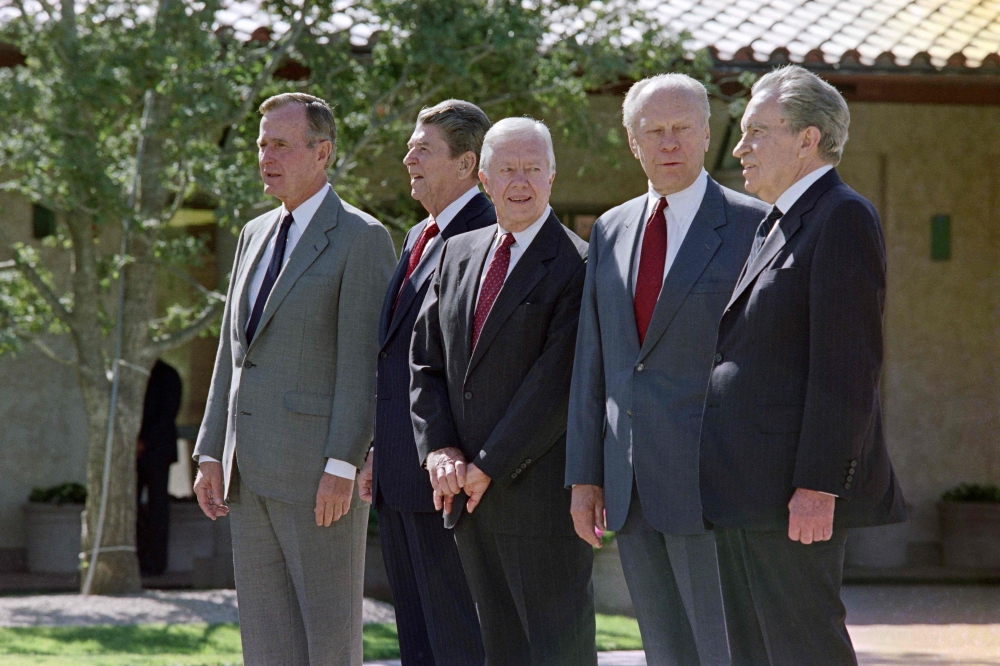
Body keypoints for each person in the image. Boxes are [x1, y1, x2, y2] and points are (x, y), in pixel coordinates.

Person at [701, 65, 907, 665]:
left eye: (756, 131)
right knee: (753, 652)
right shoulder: (775, 223)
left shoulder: (842, 216)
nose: (740, 148)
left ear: (807, 138)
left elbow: (847, 367)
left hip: (792, 495)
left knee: (801, 649)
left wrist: (818, 485)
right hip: (744, 489)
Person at [565, 73, 768, 666]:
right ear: (633, 142)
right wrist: (585, 475)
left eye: (682, 128)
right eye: (653, 131)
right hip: (628, 486)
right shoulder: (610, 228)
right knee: (665, 651)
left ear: (707, 133)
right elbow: (592, 360)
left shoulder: (753, 225)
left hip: (714, 486)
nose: (669, 142)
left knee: (725, 650)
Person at [192, 92, 396, 666]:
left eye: (280, 144)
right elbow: (233, 357)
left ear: (322, 152)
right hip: (246, 474)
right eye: (261, 144)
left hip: (318, 480)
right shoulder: (253, 234)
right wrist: (211, 449)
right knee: (266, 644)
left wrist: (341, 463)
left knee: (329, 644)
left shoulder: (362, 238)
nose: (266, 156)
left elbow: (365, 365)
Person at [409, 117, 594, 666]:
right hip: (467, 498)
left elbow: (555, 383)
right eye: (507, 169)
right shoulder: (457, 253)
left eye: (533, 168)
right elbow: (425, 361)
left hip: (539, 503)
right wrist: (439, 448)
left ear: (552, 176)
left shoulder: (578, 263)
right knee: (499, 651)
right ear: (484, 180)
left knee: (556, 651)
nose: (521, 181)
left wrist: (485, 465)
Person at [357, 99, 494, 666]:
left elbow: (473, 363)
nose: (407, 155)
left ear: (466, 164)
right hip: (399, 474)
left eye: (424, 148)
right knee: (416, 638)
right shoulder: (418, 234)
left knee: (457, 640)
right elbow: (397, 358)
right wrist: (377, 449)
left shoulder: (488, 232)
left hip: (450, 478)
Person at [136, 358, 183, 576]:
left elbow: (167, 414)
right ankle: (137, 557)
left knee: (158, 507)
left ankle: (155, 563)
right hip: (135, 452)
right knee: (132, 505)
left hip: (158, 451)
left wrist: (144, 441)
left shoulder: (168, 374)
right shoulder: (135, 371)